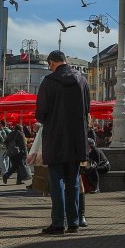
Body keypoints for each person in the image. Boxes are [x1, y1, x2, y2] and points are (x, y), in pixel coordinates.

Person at [35, 50, 91, 236]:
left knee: (57, 181)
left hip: (56, 137)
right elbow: (87, 109)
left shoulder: (49, 82)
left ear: (52, 63)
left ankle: (58, 223)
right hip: (76, 139)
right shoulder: (82, 80)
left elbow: (41, 112)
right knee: (73, 180)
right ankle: (74, 222)